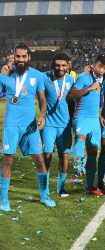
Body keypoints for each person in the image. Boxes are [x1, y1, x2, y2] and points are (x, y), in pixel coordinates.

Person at [0, 44, 55, 211]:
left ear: (29, 57)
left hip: (30, 125)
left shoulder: (37, 76)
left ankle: (44, 195)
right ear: (13, 57)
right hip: (11, 125)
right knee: (8, 160)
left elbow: (42, 99)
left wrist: (43, 116)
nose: (21, 60)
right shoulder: (5, 75)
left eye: (24, 56)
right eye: (18, 56)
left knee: (39, 159)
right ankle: (3, 200)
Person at [69, 54, 105, 196]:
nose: (101, 70)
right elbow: (72, 93)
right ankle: (78, 162)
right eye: (99, 66)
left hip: (94, 120)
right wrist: (90, 88)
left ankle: (89, 186)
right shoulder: (84, 77)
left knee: (92, 152)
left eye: (104, 67)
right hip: (81, 116)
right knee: (80, 138)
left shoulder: (102, 78)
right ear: (93, 64)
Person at [41, 53, 74, 197]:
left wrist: (73, 121)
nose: (60, 68)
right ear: (53, 65)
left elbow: (72, 102)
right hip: (48, 124)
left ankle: (61, 188)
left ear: (68, 66)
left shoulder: (71, 80)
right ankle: (45, 188)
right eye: (57, 65)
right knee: (46, 155)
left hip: (65, 125)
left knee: (64, 156)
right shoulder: (44, 77)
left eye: (63, 65)